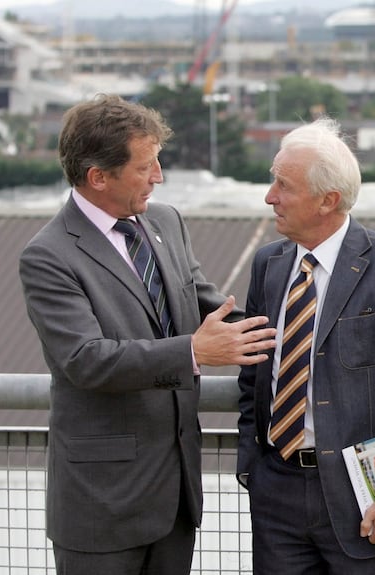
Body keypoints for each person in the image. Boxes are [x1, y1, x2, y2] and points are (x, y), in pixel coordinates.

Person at [18, 94, 277, 575]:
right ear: (98, 177)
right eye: (145, 166)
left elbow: (209, 307)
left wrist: (299, 336)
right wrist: (192, 352)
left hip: (174, 498)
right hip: (102, 507)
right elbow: (86, 360)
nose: (158, 176)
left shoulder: (165, 221)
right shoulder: (48, 256)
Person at [235, 116, 375, 575]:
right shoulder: (268, 265)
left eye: (283, 185)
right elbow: (253, 376)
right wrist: (252, 467)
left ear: (328, 200)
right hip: (276, 496)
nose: (270, 196)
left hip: (368, 503)